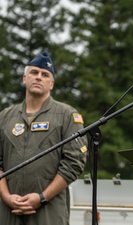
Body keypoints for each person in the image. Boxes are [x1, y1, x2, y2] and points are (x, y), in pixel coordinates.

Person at [0, 51, 88, 225]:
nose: (39, 77)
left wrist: (41, 198)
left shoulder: (67, 116)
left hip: (48, 211)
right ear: (25, 78)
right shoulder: (4, 117)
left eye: (45, 75)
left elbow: (74, 163)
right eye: (34, 72)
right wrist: (6, 196)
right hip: (7, 210)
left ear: (52, 84)